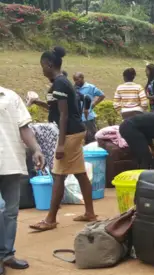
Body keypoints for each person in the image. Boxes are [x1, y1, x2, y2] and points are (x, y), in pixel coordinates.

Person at [30, 46, 97, 232]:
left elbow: (64, 115)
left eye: (42, 65)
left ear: (49, 64)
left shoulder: (60, 83)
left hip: (69, 134)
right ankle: (90, 212)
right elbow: (55, 111)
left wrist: (60, 145)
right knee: (80, 174)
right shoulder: (62, 83)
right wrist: (36, 102)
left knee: (58, 174)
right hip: (75, 131)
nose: (42, 69)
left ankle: (50, 219)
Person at [0, 86, 45, 275]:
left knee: (10, 211)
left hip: (10, 161)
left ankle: (7, 254)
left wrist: (36, 149)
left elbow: (23, 127)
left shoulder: (10, 96)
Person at [73, 72, 105, 144]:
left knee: (92, 137)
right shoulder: (74, 88)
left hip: (89, 117)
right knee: (82, 138)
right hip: (78, 117)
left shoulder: (90, 87)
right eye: (74, 80)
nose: (75, 82)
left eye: (77, 79)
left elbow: (102, 95)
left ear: (82, 78)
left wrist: (94, 104)